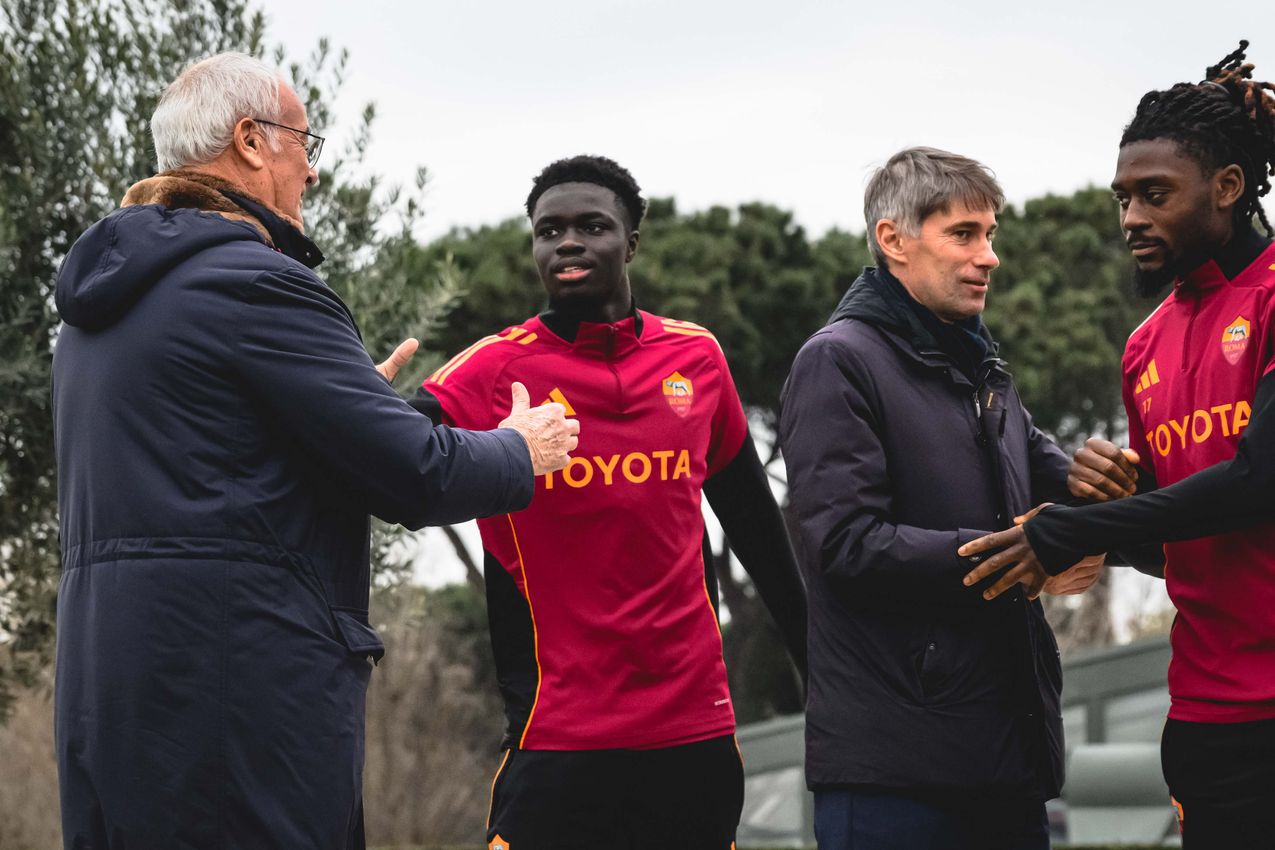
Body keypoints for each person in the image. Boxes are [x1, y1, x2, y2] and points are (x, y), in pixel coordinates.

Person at [52, 52, 577, 850]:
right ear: (250, 141)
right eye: (305, 142)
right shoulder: (254, 283)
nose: (313, 171)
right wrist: (518, 448)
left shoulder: (93, 313)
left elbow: (202, 467)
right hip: (239, 698)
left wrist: (338, 408)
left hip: (114, 694)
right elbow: (415, 474)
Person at [411, 155, 808, 849]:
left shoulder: (697, 359)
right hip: (558, 736)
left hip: (694, 733)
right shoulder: (491, 372)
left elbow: (752, 523)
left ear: (631, 243)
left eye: (591, 227)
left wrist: (817, 662)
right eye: (548, 231)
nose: (566, 243)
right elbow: (392, 460)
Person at [960, 42, 1275, 848]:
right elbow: (1169, 550)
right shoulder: (1144, 346)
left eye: (1154, 194)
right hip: (1204, 719)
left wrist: (1068, 529)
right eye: (1122, 198)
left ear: (1227, 187)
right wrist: (1110, 502)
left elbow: (1257, 483)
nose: (1130, 218)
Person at [779, 147, 1103, 850]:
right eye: (963, 234)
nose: (988, 256)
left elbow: (1070, 491)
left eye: (990, 234)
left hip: (1006, 763)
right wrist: (1020, 557)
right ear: (893, 240)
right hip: (894, 776)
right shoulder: (835, 361)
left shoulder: (984, 370)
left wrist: (1116, 492)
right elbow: (845, 545)